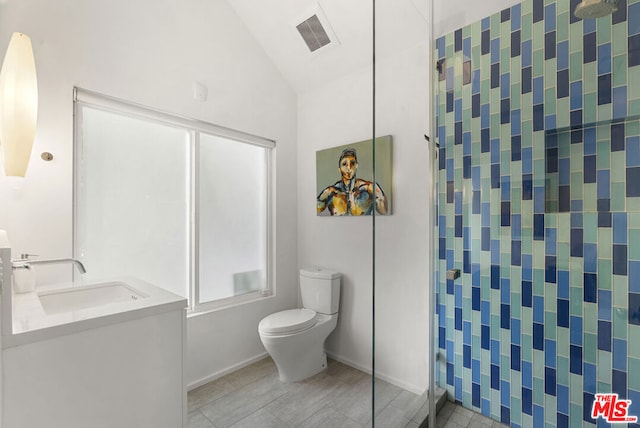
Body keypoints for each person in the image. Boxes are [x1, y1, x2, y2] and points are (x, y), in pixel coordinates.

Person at [317, 148, 388, 216]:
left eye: (352, 163)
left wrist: (379, 195)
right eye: (344, 164)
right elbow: (316, 210)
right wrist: (324, 195)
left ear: (356, 166)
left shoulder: (368, 188)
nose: (349, 168)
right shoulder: (331, 192)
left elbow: (384, 211)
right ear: (339, 169)